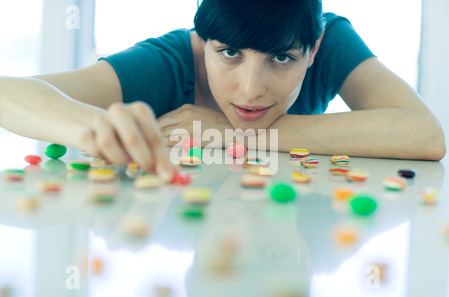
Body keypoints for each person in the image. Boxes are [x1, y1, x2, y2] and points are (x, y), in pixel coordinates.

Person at [0, 0, 445, 183]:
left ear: (315, 49)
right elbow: (7, 94)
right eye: (230, 52)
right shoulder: (169, 62)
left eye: (281, 59)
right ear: (202, 41)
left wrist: (233, 135)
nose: (251, 90)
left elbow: (425, 135)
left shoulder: (329, 38)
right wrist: (98, 126)